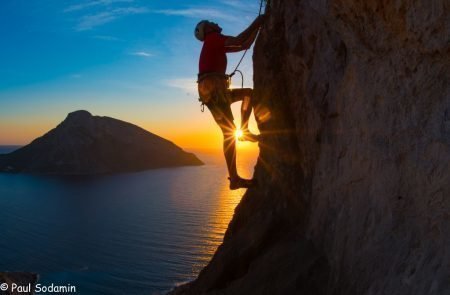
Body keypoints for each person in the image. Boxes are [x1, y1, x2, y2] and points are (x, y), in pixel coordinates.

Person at [194, 16, 263, 190]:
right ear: (207, 29)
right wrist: (258, 21)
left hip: (213, 89)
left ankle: (245, 131)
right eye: (210, 23)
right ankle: (234, 178)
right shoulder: (213, 39)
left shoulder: (213, 42)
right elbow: (240, 40)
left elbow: (243, 45)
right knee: (228, 132)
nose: (214, 23)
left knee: (248, 94)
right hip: (214, 89)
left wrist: (259, 27)